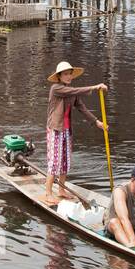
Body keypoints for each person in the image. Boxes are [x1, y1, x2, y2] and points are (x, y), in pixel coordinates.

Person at [43, 60, 107, 205]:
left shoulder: (72, 92)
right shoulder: (56, 88)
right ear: (59, 76)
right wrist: (95, 87)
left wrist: (96, 122)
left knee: (65, 161)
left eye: (70, 74)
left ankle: (61, 190)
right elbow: (73, 91)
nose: (68, 77)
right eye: (65, 74)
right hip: (55, 129)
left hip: (66, 130)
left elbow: (82, 108)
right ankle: (48, 193)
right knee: (55, 162)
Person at [105, 165, 135, 252]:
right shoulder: (120, 191)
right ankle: (131, 247)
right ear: (133, 180)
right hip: (120, 229)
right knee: (114, 222)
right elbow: (123, 219)